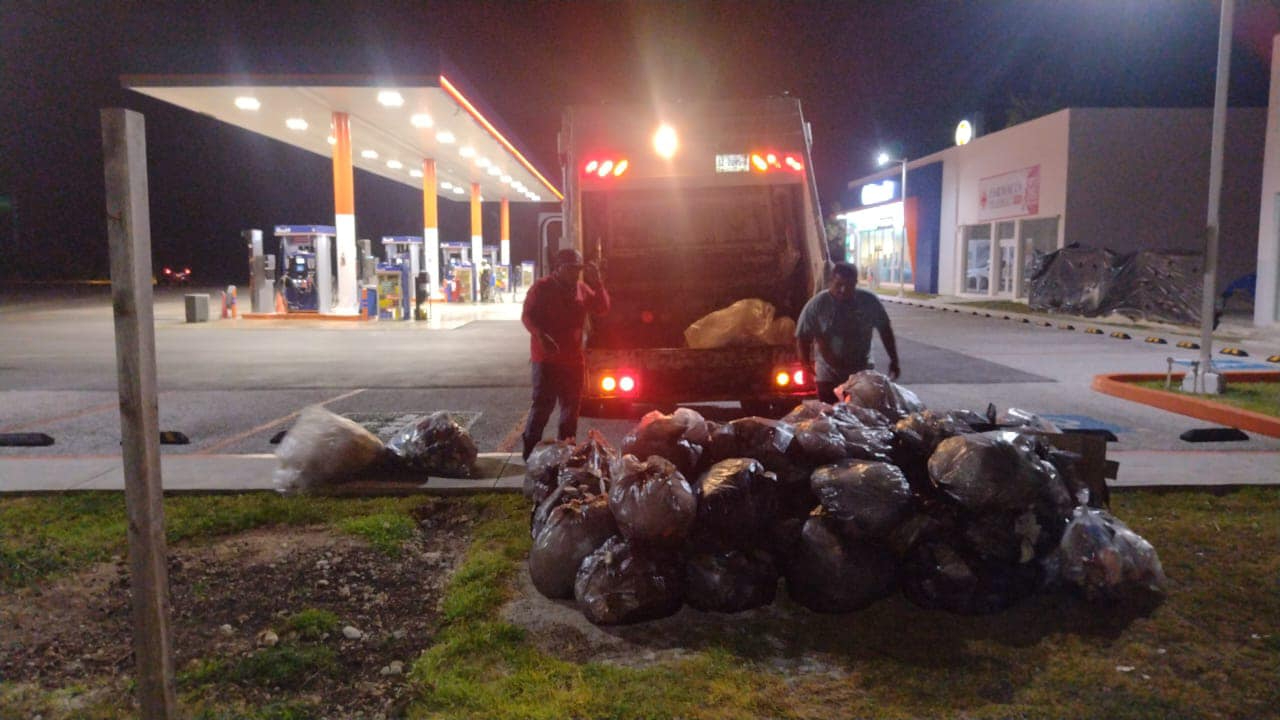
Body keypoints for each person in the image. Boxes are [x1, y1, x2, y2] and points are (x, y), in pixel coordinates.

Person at [520, 248, 610, 459]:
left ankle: (566, 454)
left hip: (573, 361)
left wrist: (597, 283)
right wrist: (540, 336)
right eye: (570, 269)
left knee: (571, 410)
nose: (575, 274)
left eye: (577, 269)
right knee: (542, 407)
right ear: (558, 269)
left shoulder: (581, 289)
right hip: (546, 361)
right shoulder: (542, 288)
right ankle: (529, 453)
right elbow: (527, 316)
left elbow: (602, 308)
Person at [795, 261, 901, 403]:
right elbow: (802, 335)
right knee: (831, 417)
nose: (843, 290)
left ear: (855, 283)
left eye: (849, 286)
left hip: (861, 372)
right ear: (831, 281)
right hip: (828, 375)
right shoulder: (817, 305)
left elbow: (885, 330)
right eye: (839, 285)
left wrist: (894, 359)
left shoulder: (869, 302)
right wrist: (804, 363)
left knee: (861, 415)